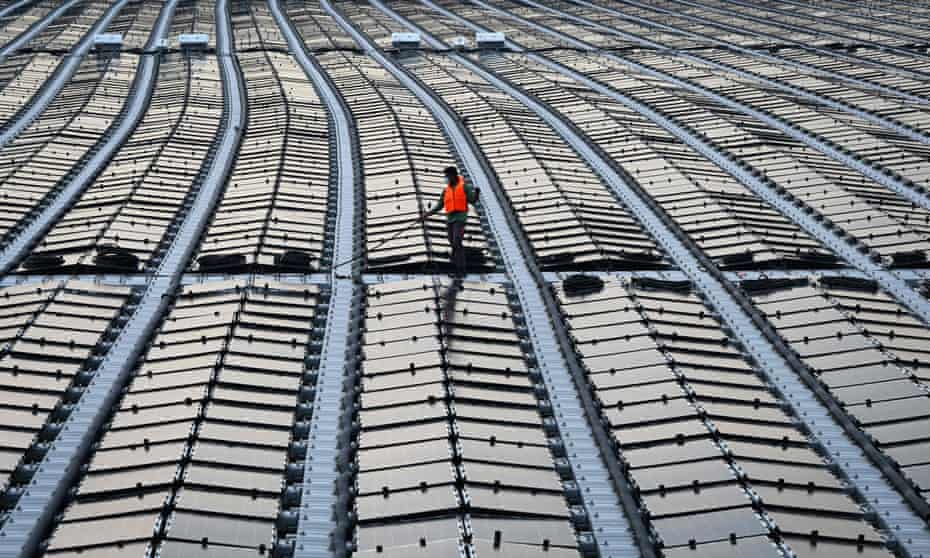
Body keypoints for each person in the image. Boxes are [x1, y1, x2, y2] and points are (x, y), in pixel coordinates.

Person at [424, 166, 479, 276]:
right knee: (452, 242)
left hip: (460, 218)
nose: (446, 178)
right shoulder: (446, 191)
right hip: (450, 219)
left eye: (448, 176)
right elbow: (440, 205)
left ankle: (461, 268)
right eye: (446, 176)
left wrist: (477, 193)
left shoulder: (464, 187)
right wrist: (427, 214)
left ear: (453, 175)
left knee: (457, 240)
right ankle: (456, 265)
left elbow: (472, 200)